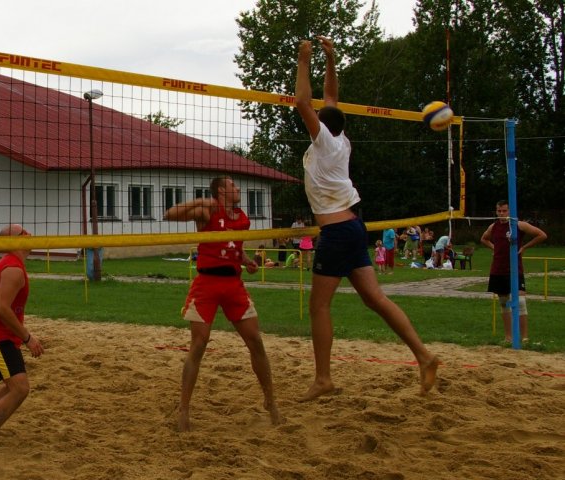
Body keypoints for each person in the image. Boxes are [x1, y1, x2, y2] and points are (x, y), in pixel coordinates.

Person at [295, 36, 438, 401]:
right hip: (353, 227)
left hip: (338, 231)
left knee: (319, 306)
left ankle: (324, 379)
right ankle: (423, 355)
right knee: (375, 299)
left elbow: (302, 102)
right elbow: (330, 101)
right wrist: (331, 59)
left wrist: (304, 59)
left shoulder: (325, 142)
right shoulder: (341, 140)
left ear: (322, 128)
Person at [164, 176, 281, 431]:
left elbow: (233, 249)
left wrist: (246, 260)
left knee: (256, 341)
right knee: (199, 344)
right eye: (233, 186)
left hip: (233, 285)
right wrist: (202, 200)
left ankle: (271, 401)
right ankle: (184, 408)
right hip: (206, 284)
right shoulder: (207, 211)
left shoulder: (242, 218)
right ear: (220, 191)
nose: (238, 189)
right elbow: (169, 214)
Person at [0, 224, 45, 454]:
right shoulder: (12, 269)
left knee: (11, 386)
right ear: (14, 241)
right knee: (19, 389)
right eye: (23, 233)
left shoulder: (12, 265)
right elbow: (2, 309)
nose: (29, 236)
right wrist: (27, 337)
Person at [480, 200, 547, 343]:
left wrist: (525, 247)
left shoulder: (518, 224)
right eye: (499, 211)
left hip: (515, 269)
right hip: (498, 270)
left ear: (510, 211)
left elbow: (541, 235)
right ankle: (508, 337)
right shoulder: (494, 226)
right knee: (504, 303)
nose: (502, 213)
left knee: (520, 302)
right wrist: (494, 248)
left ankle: (524, 338)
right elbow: (484, 239)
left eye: (504, 211)